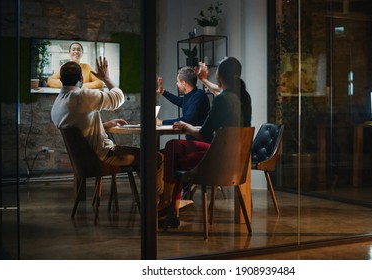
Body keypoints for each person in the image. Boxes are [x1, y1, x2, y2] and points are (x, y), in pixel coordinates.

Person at [51, 57, 164, 202]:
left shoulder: (58, 103)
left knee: (144, 160)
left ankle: (149, 200)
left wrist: (103, 124)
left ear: (61, 80)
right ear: (81, 79)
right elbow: (118, 98)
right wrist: (106, 78)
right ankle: (157, 204)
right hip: (104, 156)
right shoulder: (81, 95)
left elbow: (77, 128)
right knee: (156, 157)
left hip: (85, 161)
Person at [159, 57, 252, 228]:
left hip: (218, 160)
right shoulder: (244, 96)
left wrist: (187, 127)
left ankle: (167, 203)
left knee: (172, 148)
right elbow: (220, 91)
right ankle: (171, 206)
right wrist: (203, 79)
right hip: (237, 160)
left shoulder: (222, 99)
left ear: (219, 76)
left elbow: (203, 134)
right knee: (175, 153)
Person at [156, 67, 210, 139]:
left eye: (178, 81)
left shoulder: (199, 96)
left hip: (200, 142)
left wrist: (161, 122)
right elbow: (179, 101)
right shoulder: (192, 95)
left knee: (171, 145)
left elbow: (187, 120)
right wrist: (163, 91)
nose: (176, 84)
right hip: (193, 141)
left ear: (184, 83)